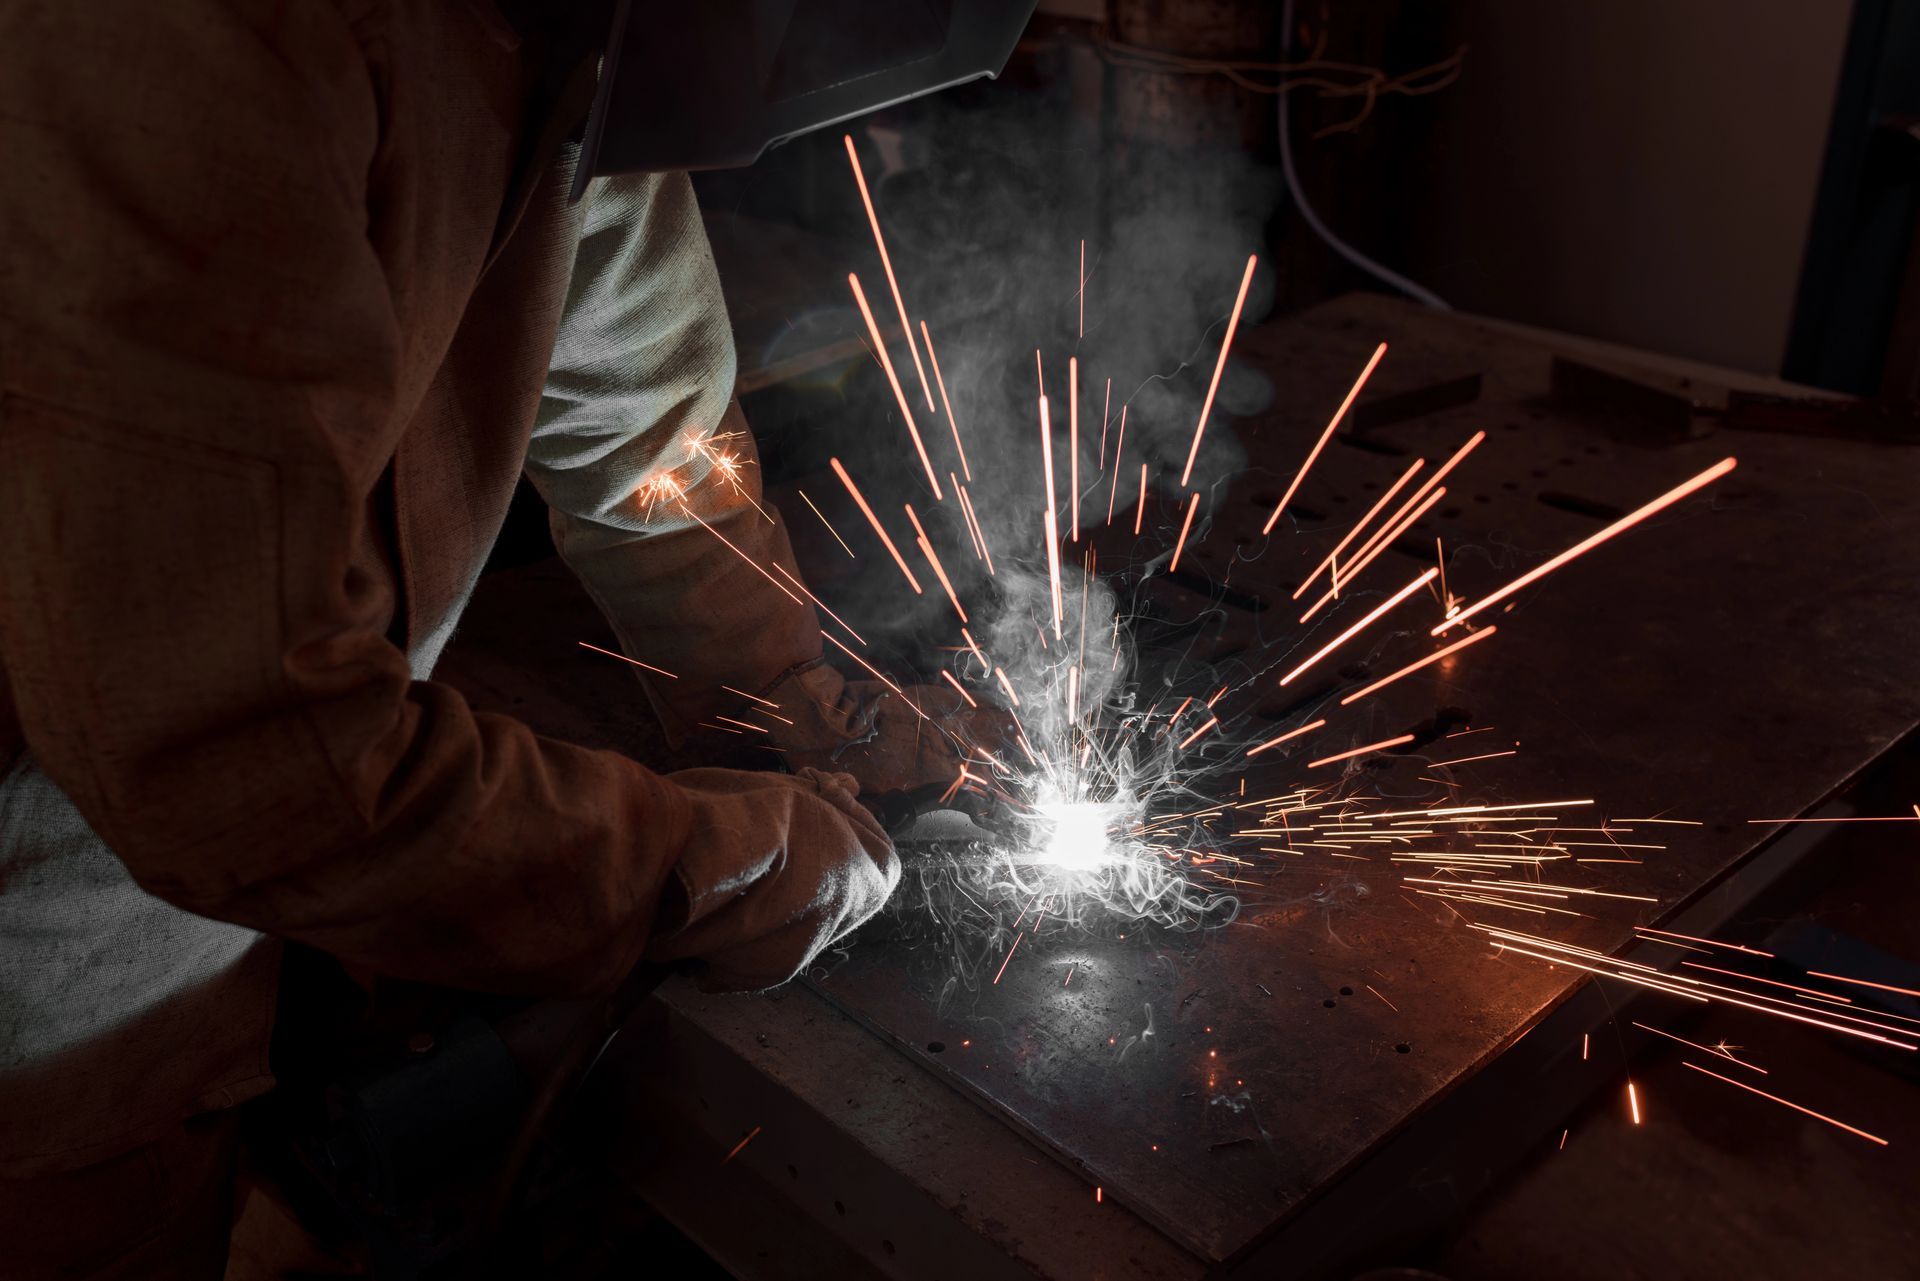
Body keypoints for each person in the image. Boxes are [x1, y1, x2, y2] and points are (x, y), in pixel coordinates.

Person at [0, 3, 999, 1275]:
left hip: (200, 948)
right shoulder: (195, 53)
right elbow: (248, 767)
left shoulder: (563, 40)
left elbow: (655, 441)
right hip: (37, 994)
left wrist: (784, 696)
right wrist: (697, 867)